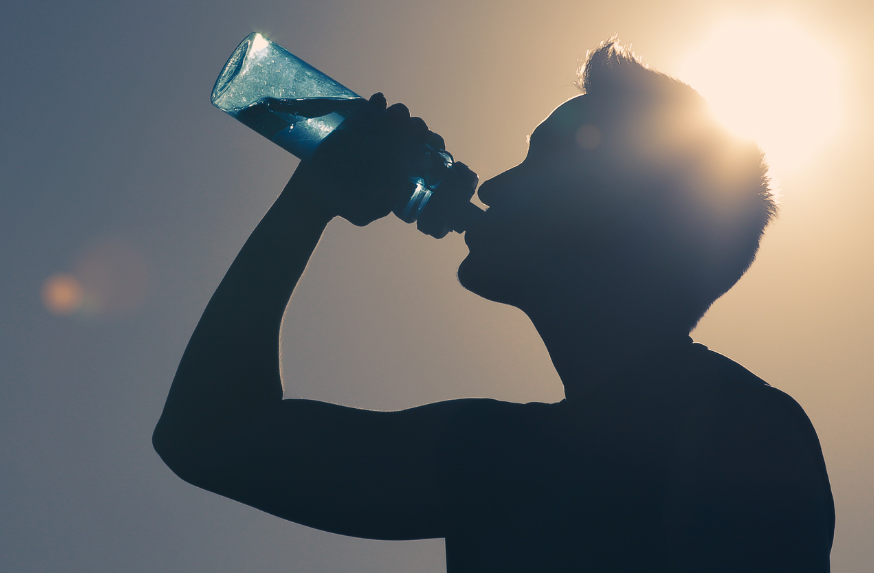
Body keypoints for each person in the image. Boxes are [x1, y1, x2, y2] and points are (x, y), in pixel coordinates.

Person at [152, 40, 835, 571]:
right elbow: (208, 439)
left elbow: (212, 438)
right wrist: (309, 201)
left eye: (542, 162)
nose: (496, 184)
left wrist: (309, 207)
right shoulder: (500, 454)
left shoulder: (737, 434)